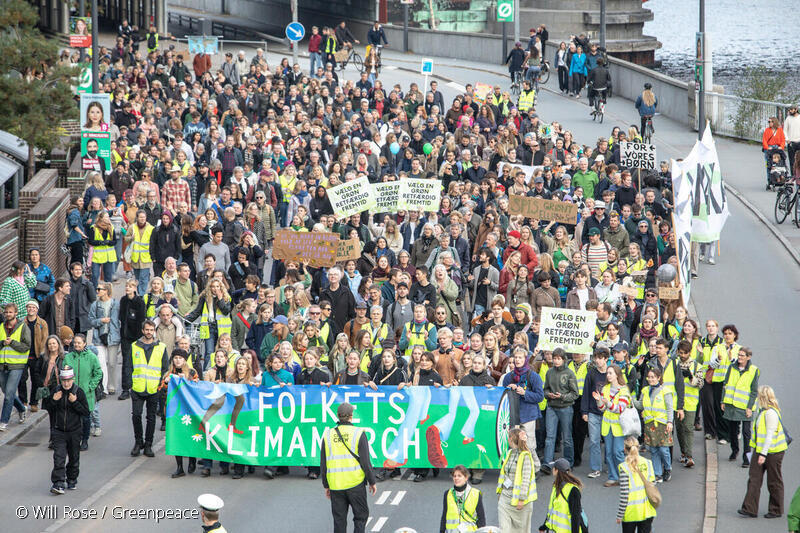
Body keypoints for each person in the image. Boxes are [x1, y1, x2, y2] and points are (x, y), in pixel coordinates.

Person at [321, 402, 377, 533]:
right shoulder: (358, 433)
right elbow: (365, 462)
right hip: (355, 484)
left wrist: (326, 485)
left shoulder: (328, 435)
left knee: (339, 521)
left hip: (335, 485)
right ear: (351, 416)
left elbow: (323, 463)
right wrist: (372, 481)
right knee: (360, 518)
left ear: (338, 416)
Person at [739, 385, 787, 519]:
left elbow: (769, 435)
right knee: (754, 478)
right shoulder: (763, 411)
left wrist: (763, 454)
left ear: (762, 397)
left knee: (774, 480)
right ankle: (749, 508)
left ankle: (776, 510)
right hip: (760, 450)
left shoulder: (771, 413)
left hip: (773, 452)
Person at [43, 365, 89, 494]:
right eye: (64, 380)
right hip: (59, 431)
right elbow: (48, 407)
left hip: (74, 431)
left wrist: (75, 402)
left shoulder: (78, 392)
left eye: (68, 380)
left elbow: (85, 412)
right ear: (61, 380)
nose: (66, 383)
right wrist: (54, 400)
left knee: (74, 458)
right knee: (59, 458)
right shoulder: (56, 391)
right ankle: (58, 483)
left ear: (73, 379)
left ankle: (72, 479)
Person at [129, 320, 168, 458]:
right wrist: (129, 384)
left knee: (151, 418)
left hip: (153, 388)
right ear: (142, 331)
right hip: (138, 387)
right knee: (136, 415)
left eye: (151, 330)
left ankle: (148, 444)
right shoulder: (134, 346)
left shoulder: (161, 347)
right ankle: (138, 442)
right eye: (147, 330)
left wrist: (160, 384)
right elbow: (128, 366)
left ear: (154, 331)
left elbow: (165, 368)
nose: (149, 332)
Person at [502, 346, 545, 470]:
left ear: (525, 359)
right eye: (515, 357)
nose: (517, 360)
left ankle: (535, 468)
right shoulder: (508, 377)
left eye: (520, 357)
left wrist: (524, 393)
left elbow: (540, 396)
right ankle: (517, 468)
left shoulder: (533, 376)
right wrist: (509, 390)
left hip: (528, 415)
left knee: (529, 444)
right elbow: (503, 396)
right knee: (513, 444)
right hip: (513, 415)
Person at [540, 348, 579, 473]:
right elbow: (545, 389)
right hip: (551, 406)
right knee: (550, 436)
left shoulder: (569, 373)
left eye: (558, 359)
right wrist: (548, 395)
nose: (556, 361)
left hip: (565, 408)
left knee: (567, 437)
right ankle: (548, 463)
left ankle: (568, 462)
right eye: (554, 358)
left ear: (563, 359)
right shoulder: (550, 372)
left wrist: (562, 396)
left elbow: (575, 394)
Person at [593, 364, 632, 487]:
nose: (608, 375)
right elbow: (602, 409)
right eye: (607, 373)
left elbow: (620, 408)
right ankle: (613, 477)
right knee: (609, 453)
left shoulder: (624, 390)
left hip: (619, 427)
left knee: (618, 452)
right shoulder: (605, 388)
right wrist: (599, 400)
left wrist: (608, 403)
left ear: (617, 375)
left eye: (610, 373)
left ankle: (625, 476)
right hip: (607, 426)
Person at [63, 334, 102, 451]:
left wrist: (91, 386)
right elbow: (64, 373)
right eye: (75, 342)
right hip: (72, 392)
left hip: (86, 393)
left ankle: (84, 440)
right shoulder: (68, 357)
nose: (76, 345)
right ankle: (74, 440)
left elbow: (98, 373)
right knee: (73, 418)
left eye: (79, 342)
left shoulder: (91, 357)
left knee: (86, 419)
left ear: (84, 343)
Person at [721, 346, 759, 467]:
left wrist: (749, 407)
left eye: (742, 355)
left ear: (748, 357)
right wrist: (723, 401)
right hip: (732, 404)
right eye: (739, 355)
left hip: (745, 406)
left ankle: (747, 458)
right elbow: (725, 384)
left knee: (746, 433)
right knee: (733, 431)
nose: (740, 357)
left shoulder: (754, 370)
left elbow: (754, 391)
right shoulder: (731, 367)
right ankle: (734, 450)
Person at [496, 427, 537, 532]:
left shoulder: (526, 456)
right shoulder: (509, 453)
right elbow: (504, 475)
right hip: (505, 498)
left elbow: (526, 479)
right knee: (504, 529)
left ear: (510, 439)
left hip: (520, 501)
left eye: (508, 437)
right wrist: (500, 491)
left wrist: (521, 499)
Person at [0, 302, 32, 431]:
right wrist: (3, 343)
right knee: (7, 392)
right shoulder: (1, 327)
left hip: (17, 365)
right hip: (2, 365)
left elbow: (26, 347)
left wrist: (12, 343)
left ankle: (4, 421)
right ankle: (21, 408)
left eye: (10, 312)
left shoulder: (23, 327)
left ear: (16, 313)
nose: (8, 314)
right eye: (6, 312)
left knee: (8, 395)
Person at [617, 436, 657, 532]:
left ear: (624, 449)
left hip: (631, 512)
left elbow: (624, 494)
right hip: (647, 510)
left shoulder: (624, 467)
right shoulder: (648, 463)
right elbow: (652, 485)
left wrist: (620, 515)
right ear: (638, 447)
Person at [539, 457, 587, 533]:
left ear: (557, 470)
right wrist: (544, 526)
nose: (552, 470)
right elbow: (552, 510)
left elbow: (575, 516)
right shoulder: (556, 487)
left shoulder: (573, 490)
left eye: (553, 468)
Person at [440, 464, 486, 532]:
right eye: (454, 476)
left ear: (466, 477)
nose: (456, 478)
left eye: (459, 476)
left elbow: (481, 520)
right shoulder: (447, 494)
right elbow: (444, 517)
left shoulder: (476, 494)